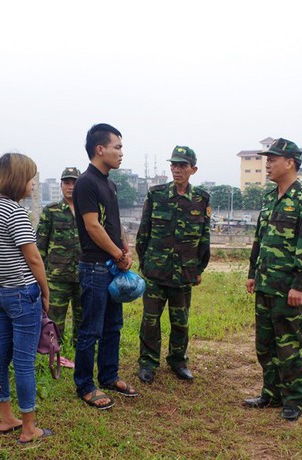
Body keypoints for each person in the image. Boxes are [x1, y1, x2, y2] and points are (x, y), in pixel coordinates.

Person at [244, 138, 302, 422]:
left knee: (290, 345)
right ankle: (271, 393)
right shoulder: (269, 198)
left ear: (289, 162)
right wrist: (253, 273)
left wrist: (300, 285)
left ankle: (294, 399)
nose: (267, 164)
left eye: (272, 159)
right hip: (265, 283)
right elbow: (259, 240)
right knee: (264, 344)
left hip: (288, 288)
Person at [0, 153, 53, 443]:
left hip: (0, 292)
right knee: (24, 361)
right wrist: (46, 292)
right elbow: (33, 258)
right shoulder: (15, 213)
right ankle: (28, 427)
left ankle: (5, 418)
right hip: (23, 294)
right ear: (18, 180)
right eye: (30, 178)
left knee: (1, 355)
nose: (33, 184)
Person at [73, 123, 138, 410]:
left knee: (113, 325)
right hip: (95, 267)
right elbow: (92, 226)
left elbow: (114, 224)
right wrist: (116, 254)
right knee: (91, 329)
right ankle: (85, 385)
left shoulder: (109, 183)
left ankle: (109, 376)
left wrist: (125, 249)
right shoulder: (86, 183)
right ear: (100, 149)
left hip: (113, 264)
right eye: (118, 147)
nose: (121, 153)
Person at [136, 146, 211, 384]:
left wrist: (198, 270)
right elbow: (143, 233)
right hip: (155, 272)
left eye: (183, 165)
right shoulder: (156, 195)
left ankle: (178, 361)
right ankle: (148, 363)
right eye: (174, 165)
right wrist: (144, 264)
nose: (177, 169)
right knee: (150, 320)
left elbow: (204, 237)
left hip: (183, 274)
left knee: (180, 321)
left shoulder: (201, 199)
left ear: (193, 169)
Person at [37, 167, 82, 357]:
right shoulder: (51, 211)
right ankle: (54, 355)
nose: (70, 187)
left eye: (74, 182)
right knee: (55, 320)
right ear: (61, 185)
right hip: (57, 276)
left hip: (83, 275)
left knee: (83, 319)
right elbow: (40, 246)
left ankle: (81, 353)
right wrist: (39, 277)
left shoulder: (87, 210)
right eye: (67, 183)